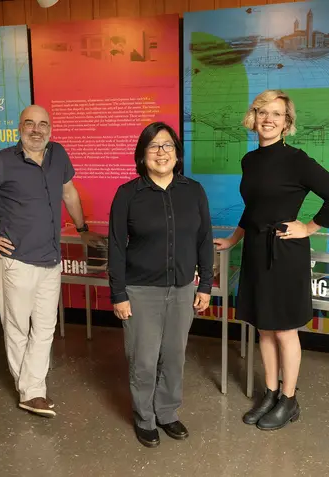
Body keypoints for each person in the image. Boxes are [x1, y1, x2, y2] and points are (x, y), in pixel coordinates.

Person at [0, 105, 101, 418]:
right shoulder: (2, 161)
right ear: (19, 127)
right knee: (18, 328)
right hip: (14, 261)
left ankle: (32, 387)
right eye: (29, 123)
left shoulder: (58, 154)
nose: (36, 129)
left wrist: (83, 229)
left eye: (43, 123)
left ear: (51, 128)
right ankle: (31, 392)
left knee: (45, 328)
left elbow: (69, 194)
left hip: (50, 259)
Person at [214, 90, 329, 431]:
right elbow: (254, 207)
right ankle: (270, 394)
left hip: (285, 252)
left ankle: (289, 400)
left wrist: (310, 227)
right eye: (263, 112)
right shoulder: (250, 161)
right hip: (256, 251)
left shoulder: (297, 159)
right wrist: (234, 238)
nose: (268, 119)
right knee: (264, 327)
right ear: (253, 117)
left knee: (285, 330)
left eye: (276, 114)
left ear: (286, 122)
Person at [108, 122, 214, 448]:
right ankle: (145, 418)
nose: (161, 152)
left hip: (183, 291)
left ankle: (167, 413)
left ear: (177, 153)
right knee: (143, 359)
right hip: (140, 294)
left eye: (167, 145)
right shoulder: (128, 194)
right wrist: (118, 294)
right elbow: (115, 246)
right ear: (142, 155)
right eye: (153, 146)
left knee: (174, 357)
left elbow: (204, 240)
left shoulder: (193, 191)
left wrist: (205, 285)